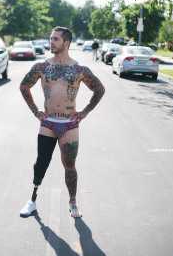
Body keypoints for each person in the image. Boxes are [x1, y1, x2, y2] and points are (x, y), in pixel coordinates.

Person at [19, 26, 105, 218]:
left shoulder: (79, 70)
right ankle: (32, 200)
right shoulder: (42, 67)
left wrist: (84, 112)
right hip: (48, 122)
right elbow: (24, 86)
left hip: (69, 124)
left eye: (55, 39)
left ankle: (73, 203)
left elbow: (100, 90)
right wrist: (35, 111)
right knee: (41, 163)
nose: (51, 42)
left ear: (66, 43)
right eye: (51, 39)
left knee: (69, 165)